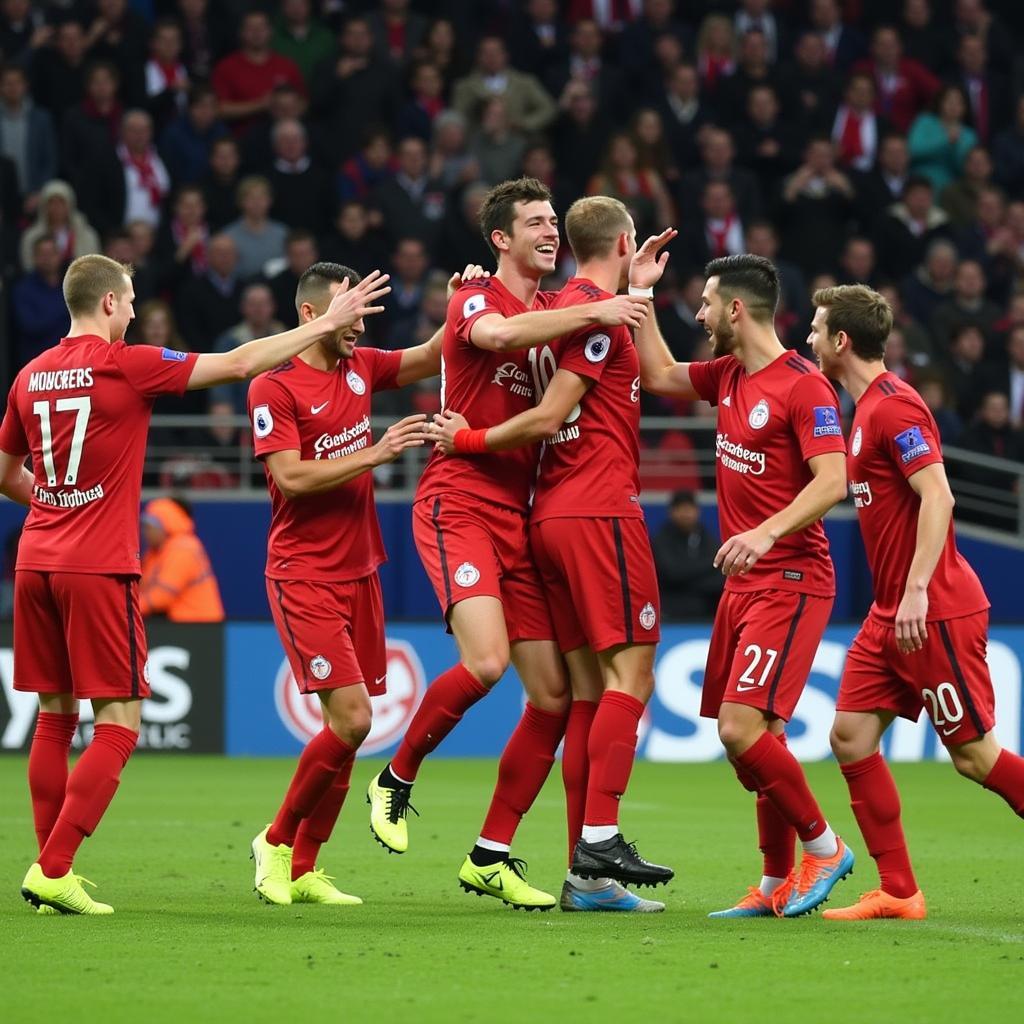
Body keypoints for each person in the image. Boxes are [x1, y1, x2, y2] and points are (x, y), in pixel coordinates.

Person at [0, 251, 391, 915]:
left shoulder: (30, 374)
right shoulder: (126, 362)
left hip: (36, 559)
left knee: (55, 716)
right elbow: (240, 363)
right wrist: (329, 320)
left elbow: (6, 471)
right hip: (97, 563)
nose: (131, 309)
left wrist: (53, 501)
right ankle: (55, 867)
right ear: (106, 304)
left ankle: (48, 868)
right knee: (120, 724)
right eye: (126, 299)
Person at [366, 177, 649, 911]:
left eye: (554, 220)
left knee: (554, 698)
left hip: (522, 515)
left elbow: (581, 311)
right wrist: (602, 303)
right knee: (488, 662)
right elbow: (491, 339)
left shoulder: (554, 309)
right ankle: (396, 777)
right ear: (501, 240)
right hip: (458, 499)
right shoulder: (478, 299)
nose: (549, 231)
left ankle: (490, 853)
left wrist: (621, 282)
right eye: (534, 223)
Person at [433, 195, 678, 910]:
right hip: (599, 509)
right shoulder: (591, 315)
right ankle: (599, 837)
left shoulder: (566, 307)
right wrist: (467, 439)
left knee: (585, 694)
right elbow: (544, 414)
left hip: (548, 515)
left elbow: (651, 374)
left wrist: (639, 292)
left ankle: (588, 879)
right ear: (626, 240)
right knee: (633, 677)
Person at [246, 260, 476, 907]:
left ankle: (307, 868)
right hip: (303, 575)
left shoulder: (360, 366)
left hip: (360, 573)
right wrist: (373, 453)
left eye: (366, 315)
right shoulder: (274, 386)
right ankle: (276, 840)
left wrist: (459, 304)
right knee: (351, 720)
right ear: (312, 315)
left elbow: (432, 354)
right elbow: (289, 478)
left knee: (349, 729)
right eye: (350, 313)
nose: (361, 326)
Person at [637, 253, 855, 918]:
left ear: (735, 309)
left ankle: (825, 847)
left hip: (790, 577)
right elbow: (659, 373)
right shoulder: (729, 374)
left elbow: (832, 480)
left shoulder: (803, 385)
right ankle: (771, 885)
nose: (697, 316)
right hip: (744, 584)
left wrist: (764, 532)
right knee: (757, 746)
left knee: (740, 730)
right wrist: (638, 295)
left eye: (704, 304)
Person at [807, 284, 1024, 920]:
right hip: (890, 613)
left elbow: (939, 497)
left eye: (817, 330)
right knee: (849, 736)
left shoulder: (894, 409)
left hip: (932, 611)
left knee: (973, 757)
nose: (809, 340)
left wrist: (918, 589)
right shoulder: (863, 411)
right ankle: (899, 890)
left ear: (841, 341)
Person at [139, 497, 224, 622]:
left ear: (165, 525)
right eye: (144, 527)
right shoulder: (154, 553)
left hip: (200, 627)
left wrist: (126, 610)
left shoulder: (183, 548)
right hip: (177, 626)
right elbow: (142, 588)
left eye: (150, 527)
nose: (145, 532)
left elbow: (162, 597)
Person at [651, 490, 723, 620]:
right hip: (671, 605)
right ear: (671, 512)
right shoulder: (660, 540)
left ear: (697, 511)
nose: (686, 514)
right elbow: (672, 573)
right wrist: (708, 566)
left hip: (705, 606)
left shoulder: (707, 537)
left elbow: (720, 574)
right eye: (681, 509)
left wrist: (689, 575)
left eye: (689, 509)